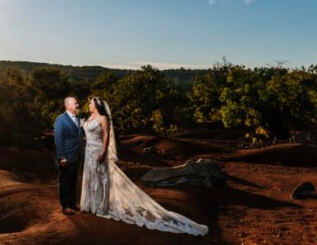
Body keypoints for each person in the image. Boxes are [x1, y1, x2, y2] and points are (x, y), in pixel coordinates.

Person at [79, 96, 208, 236]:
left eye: (90, 103)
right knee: (90, 177)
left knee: (100, 178)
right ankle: (89, 205)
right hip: (89, 151)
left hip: (98, 151)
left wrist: (104, 151)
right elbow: (84, 130)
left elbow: (106, 136)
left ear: (97, 105)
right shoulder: (89, 118)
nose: (89, 105)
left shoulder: (103, 118)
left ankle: (99, 206)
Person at [53, 96, 84, 215]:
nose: (77, 105)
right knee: (65, 181)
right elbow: (59, 140)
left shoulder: (78, 118)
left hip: (77, 155)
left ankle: (72, 203)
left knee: (73, 181)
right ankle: (65, 206)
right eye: (75, 104)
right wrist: (62, 157)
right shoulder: (60, 120)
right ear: (68, 106)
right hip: (66, 156)